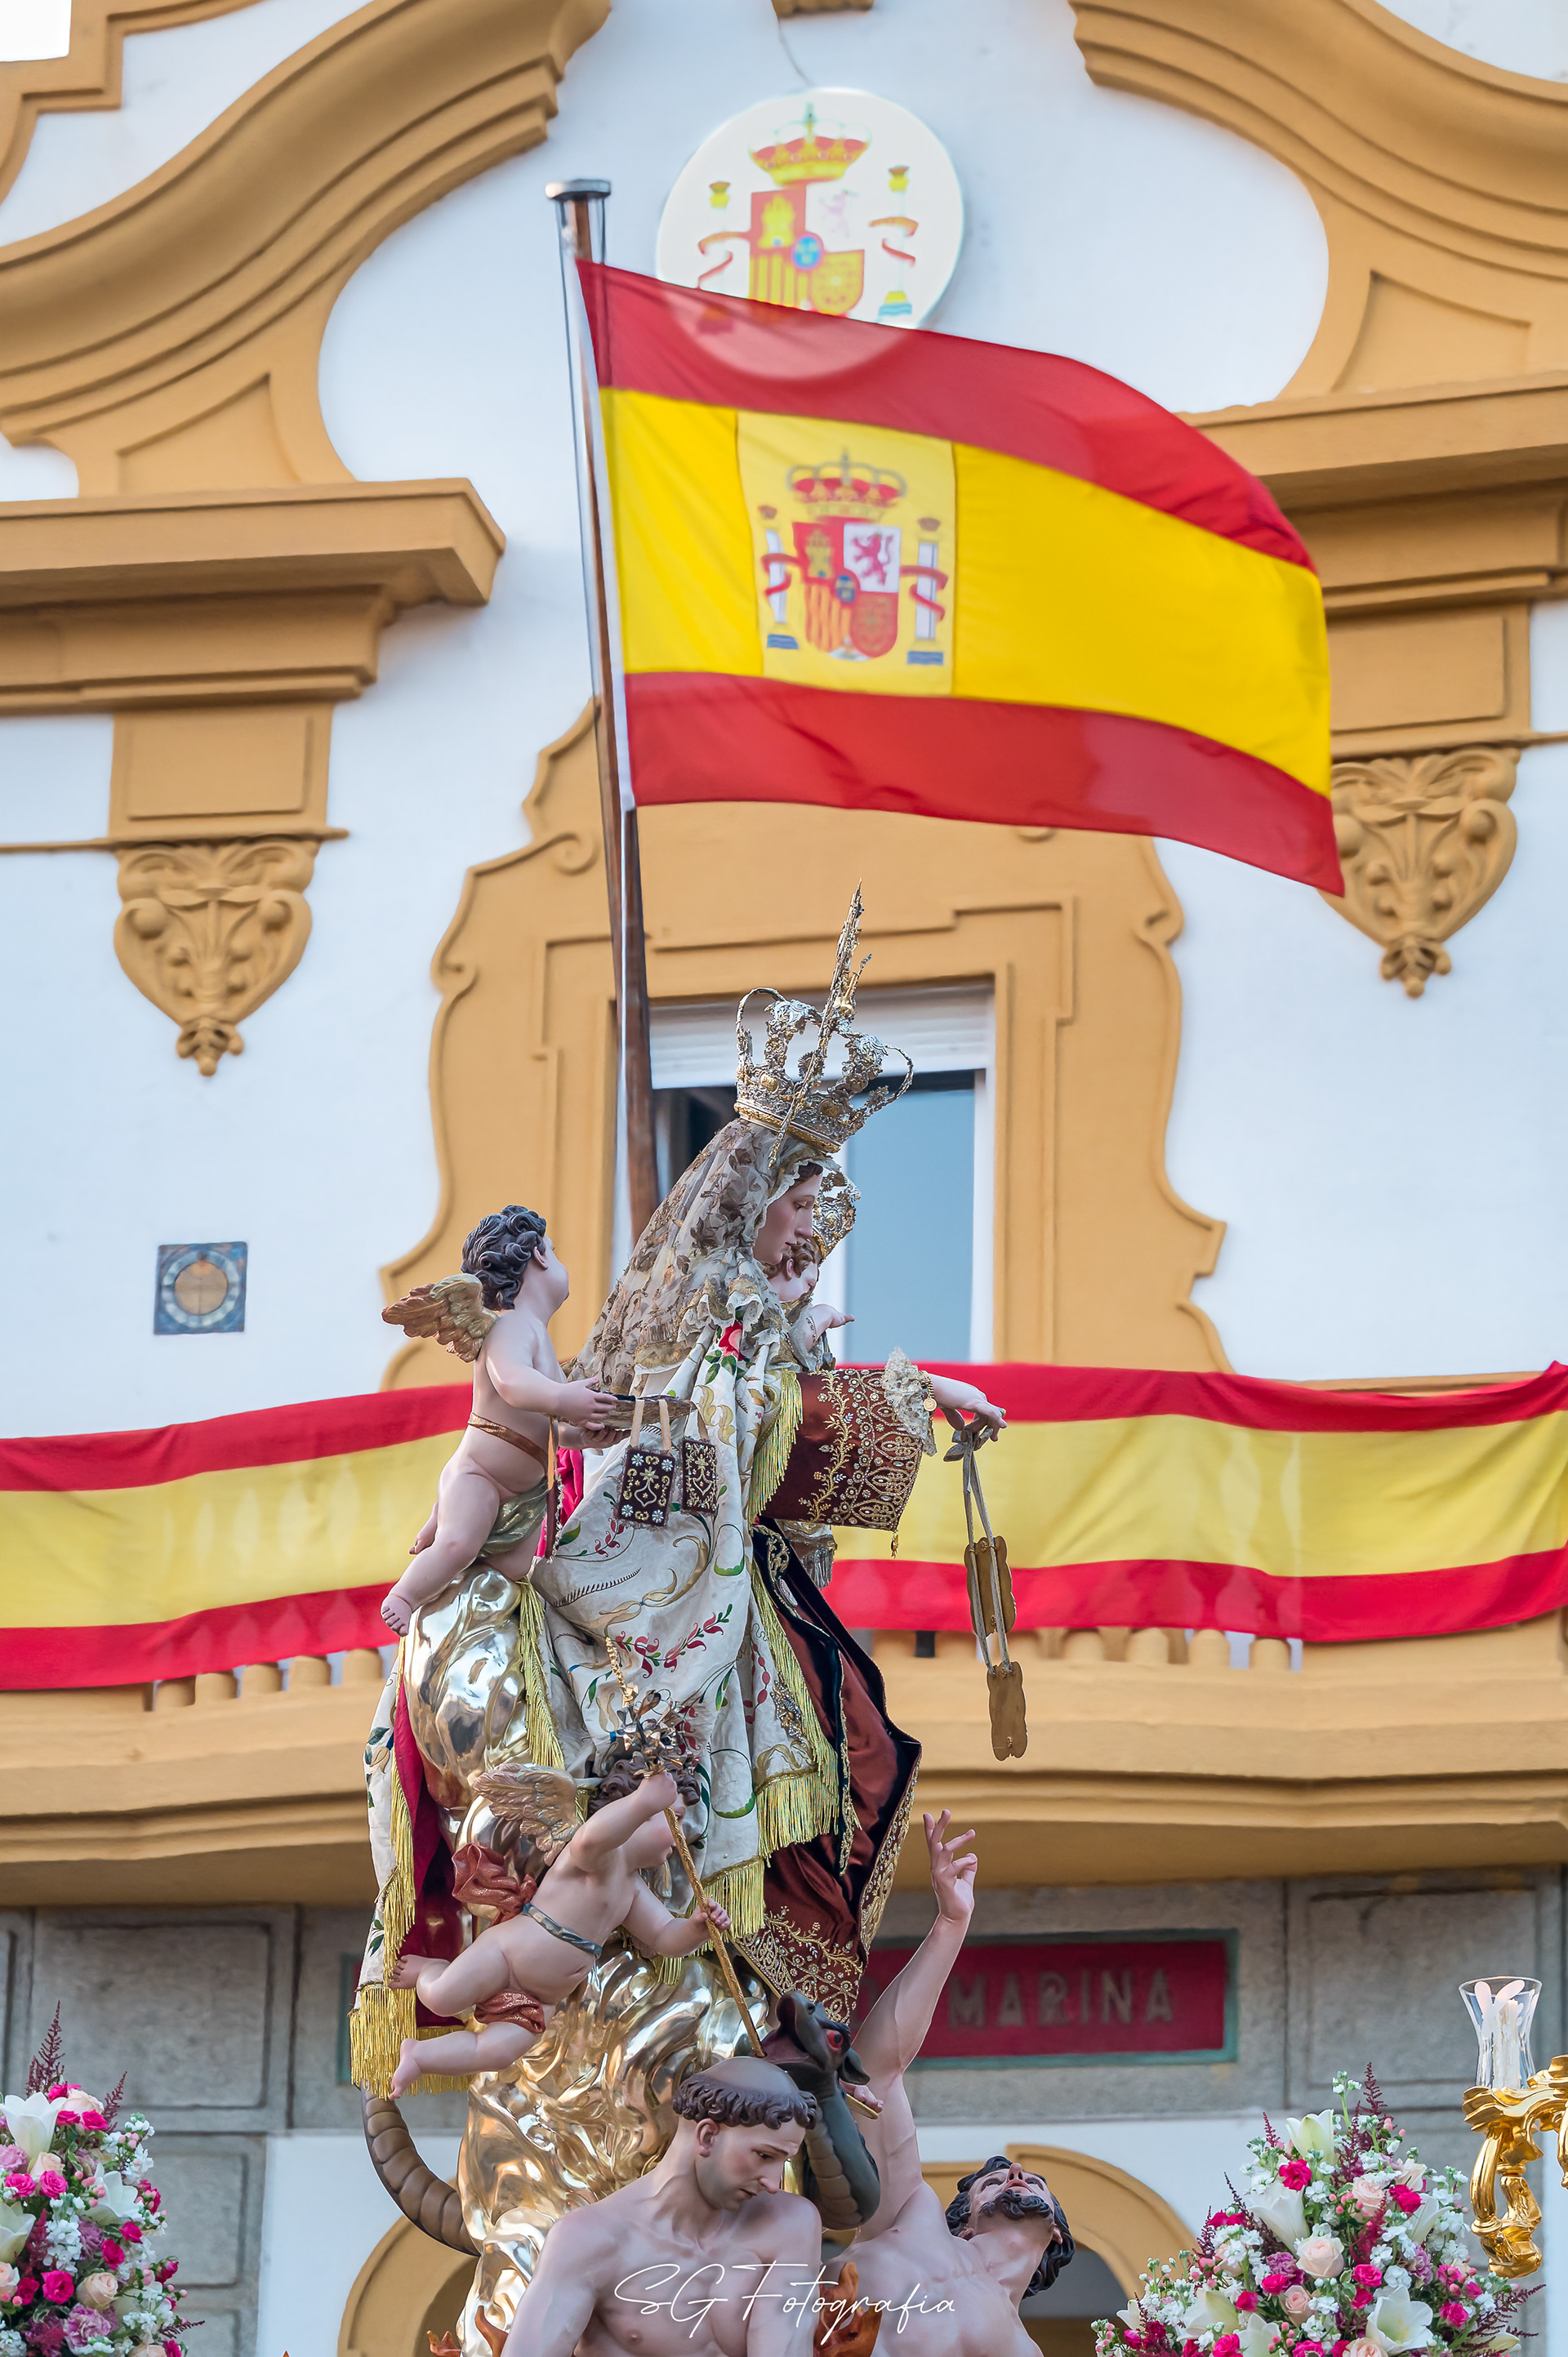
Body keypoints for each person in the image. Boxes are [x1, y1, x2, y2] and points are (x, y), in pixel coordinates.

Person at [834, 1809, 1074, 2354]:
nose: (1017, 2174)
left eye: (1031, 2182)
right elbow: (878, 2069)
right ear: (963, 2225)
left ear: (1056, 2233)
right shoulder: (911, 2219)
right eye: (996, 2181)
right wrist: (950, 1924)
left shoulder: (1024, 2352)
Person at [386, 1766, 730, 2096]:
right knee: (442, 1997)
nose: (682, 1836)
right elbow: (591, 1838)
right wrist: (643, 1801)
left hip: (541, 2000)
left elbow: (664, 1936)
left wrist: (697, 1928)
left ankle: (419, 2056)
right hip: (506, 1955)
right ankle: (429, 1970)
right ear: (637, 1812)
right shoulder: (598, 1857)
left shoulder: (633, 1890)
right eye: (676, 1818)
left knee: (496, 2052)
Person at [379, 1205, 617, 1635]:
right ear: (539, 1255)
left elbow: (548, 1427)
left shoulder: (537, 1335)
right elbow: (512, 1384)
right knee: (458, 1545)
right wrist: (566, 1397)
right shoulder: (509, 1327)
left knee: (519, 1573)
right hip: (480, 1476)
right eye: (554, 1251)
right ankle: (406, 1596)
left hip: (525, 1494)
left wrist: (583, 1435)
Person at [499, 2056, 823, 2357]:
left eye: (783, 2161)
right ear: (708, 2137)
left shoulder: (789, 2225)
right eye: (764, 2156)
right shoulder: (589, 2240)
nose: (773, 2183)